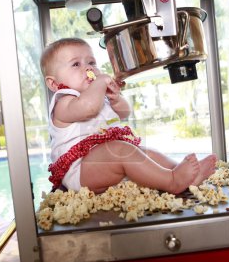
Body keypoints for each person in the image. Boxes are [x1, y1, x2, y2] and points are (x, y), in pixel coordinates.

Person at [40, 38, 217, 194]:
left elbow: (124, 113)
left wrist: (116, 99)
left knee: (144, 152)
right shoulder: (64, 102)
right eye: (76, 64)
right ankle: (172, 181)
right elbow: (89, 108)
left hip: (105, 163)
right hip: (79, 171)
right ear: (54, 83)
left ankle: (180, 172)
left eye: (91, 62)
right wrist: (101, 82)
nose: (88, 68)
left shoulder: (97, 96)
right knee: (121, 150)